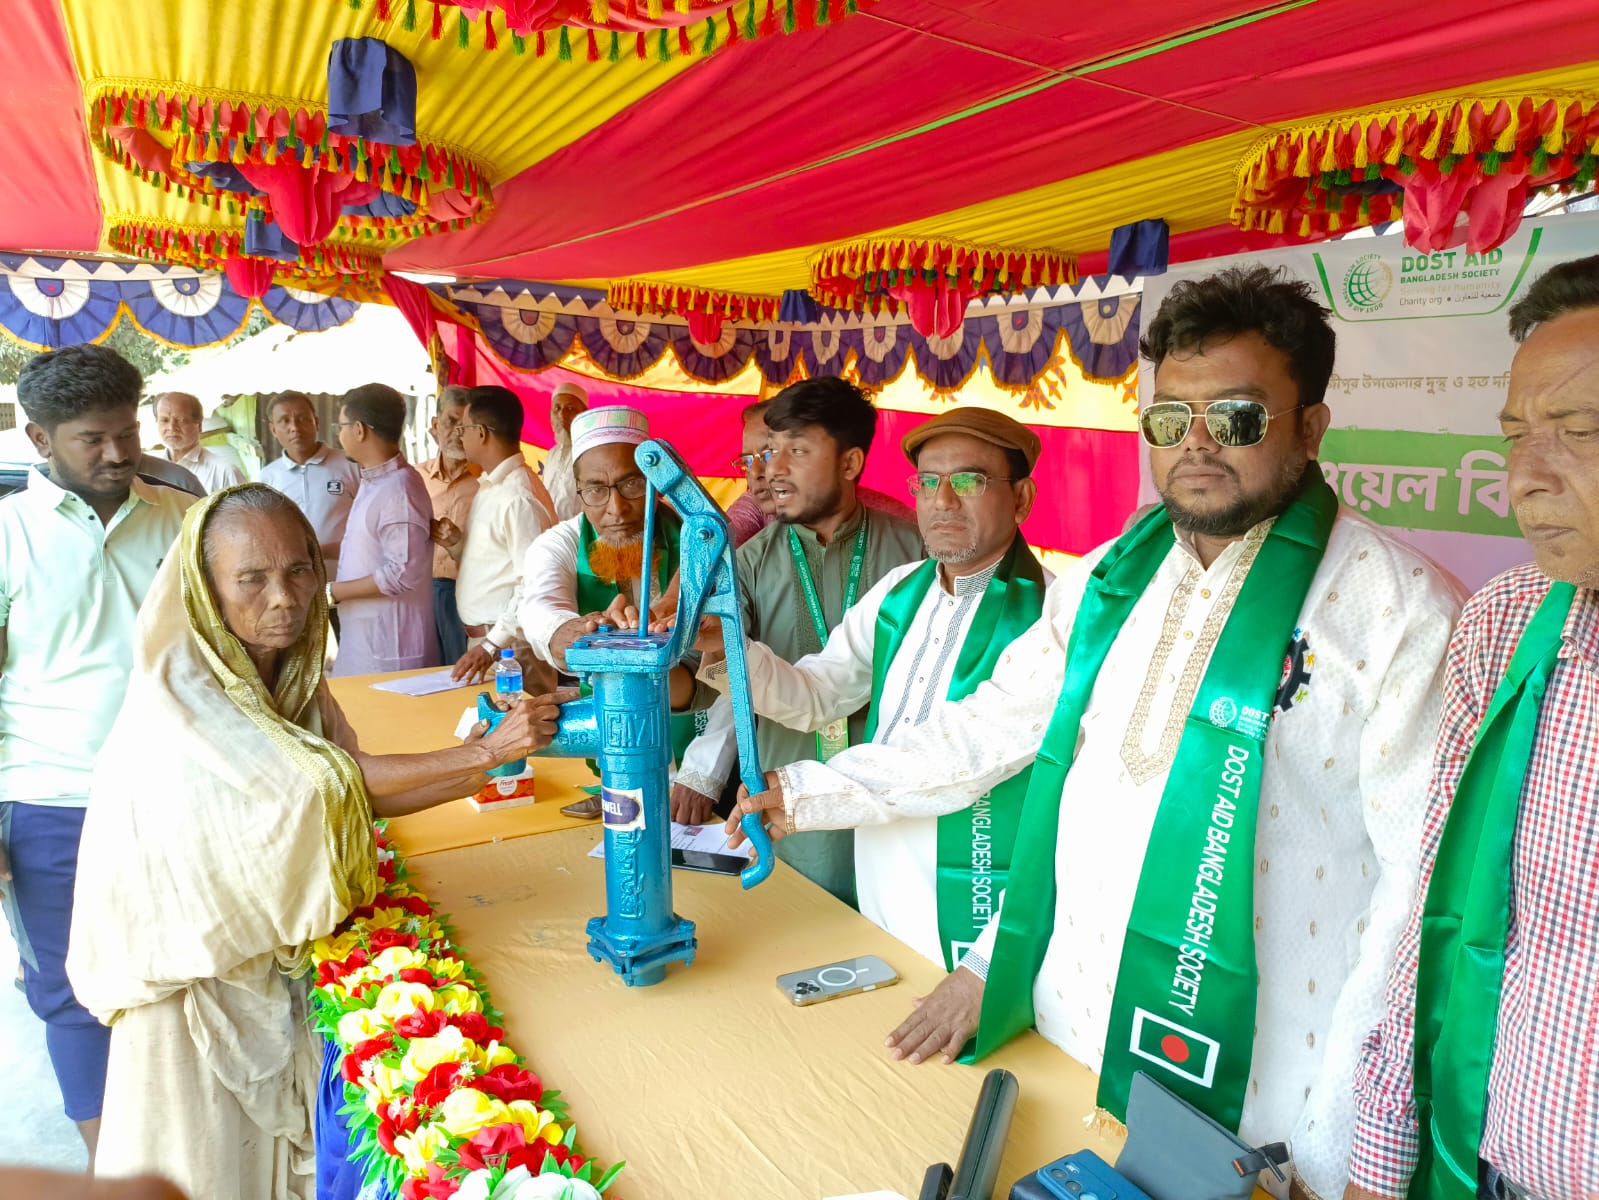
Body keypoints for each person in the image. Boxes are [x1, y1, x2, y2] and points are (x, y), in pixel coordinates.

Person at [732, 268, 1464, 1199]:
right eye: (1169, 418)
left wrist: (1352, 1152)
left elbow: (1417, 902)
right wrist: (807, 794)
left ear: (1310, 428)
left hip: (1266, 1099)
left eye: (1236, 418)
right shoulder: (1107, 580)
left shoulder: (1400, 612)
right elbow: (988, 735)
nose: (1195, 445)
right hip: (1072, 1039)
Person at [66, 486, 561, 1200]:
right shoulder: (185, 687)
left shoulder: (286, 669)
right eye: (252, 578)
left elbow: (349, 785)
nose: (285, 597)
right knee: (203, 1166)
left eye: (299, 570)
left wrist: (485, 760)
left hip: (261, 965)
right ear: (206, 590)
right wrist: (484, 754)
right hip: (192, 988)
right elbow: (319, 789)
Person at [1346, 259, 1599, 1200]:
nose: (1524, 480)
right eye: (1513, 437)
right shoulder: (1505, 623)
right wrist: (1378, 1162)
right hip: (1489, 1170)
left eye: (1578, 431)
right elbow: (1438, 914)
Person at [700, 406, 1046, 966]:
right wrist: (725, 649)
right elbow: (816, 694)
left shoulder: (1051, 618)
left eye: (968, 481)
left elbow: (959, 755)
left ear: (1022, 498)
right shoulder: (899, 592)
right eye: (928, 482)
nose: (943, 500)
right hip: (881, 878)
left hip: (981, 895)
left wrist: (807, 791)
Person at [0, 344, 196, 1163]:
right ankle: (112, 1169)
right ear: (39, 438)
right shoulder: (7, 535)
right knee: (73, 991)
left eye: (127, 432)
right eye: (93, 440)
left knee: (184, 973)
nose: (118, 453)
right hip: (50, 801)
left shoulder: (184, 518)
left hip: (177, 793)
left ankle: (188, 1149)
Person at [679, 376, 923, 904]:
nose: (773, 469)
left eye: (797, 451)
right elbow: (703, 683)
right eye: (770, 451)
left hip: (894, 809)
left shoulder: (917, 555)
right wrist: (663, 638)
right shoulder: (747, 562)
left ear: (850, 462)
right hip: (787, 805)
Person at [442, 386, 557, 685]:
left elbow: (533, 582)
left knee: (522, 715)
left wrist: (491, 644)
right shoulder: (491, 487)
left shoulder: (518, 497)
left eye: (463, 428)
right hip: (490, 645)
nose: (459, 437)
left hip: (511, 650)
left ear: (481, 433)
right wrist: (455, 544)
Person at [328, 384, 436, 676]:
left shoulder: (399, 488)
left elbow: (402, 573)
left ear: (359, 429)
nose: (340, 435)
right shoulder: (376, 481)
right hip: (364, 639)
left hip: (391, 645)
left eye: (341, 426)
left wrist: (331, 592)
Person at [725, 399, 916, 547]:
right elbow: (714, 554)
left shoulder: (898, 525)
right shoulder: (754, 506)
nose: (754, 472)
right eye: (747, 461)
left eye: (769, 454)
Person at [258, 390, 361, 579]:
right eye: (284, 421)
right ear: (273, 430)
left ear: (316, 422)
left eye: (302, 419)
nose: (294, 427)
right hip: (295, 584)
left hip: (348, 580)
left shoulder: (351, 465)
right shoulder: (267, 479)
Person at [420, 386, 481, 666]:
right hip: (421, 593)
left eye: (464, 424)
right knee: (423, 672)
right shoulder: (416, 477)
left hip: (466, 594)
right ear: (435, 425)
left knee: (460, 672)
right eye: (451, 421)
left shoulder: (486, 482)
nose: (457, 431)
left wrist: (458, 542)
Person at [152, 391, 245, 494]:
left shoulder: (225, 473)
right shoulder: (151, 470)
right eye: (164, 420)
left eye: (181, 420)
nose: (171, 427)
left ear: (199, 425)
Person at [541, 381, 588, 522]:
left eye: (571, 408)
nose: (562, 414)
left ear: (584, 415)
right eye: (557, 408)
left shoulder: (590, 454)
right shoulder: (552, 454)